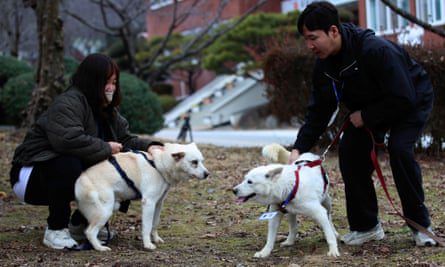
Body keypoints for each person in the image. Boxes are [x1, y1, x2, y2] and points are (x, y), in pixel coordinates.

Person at [290, 1, 436, 246]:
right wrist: (298, 148)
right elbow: (319, 111)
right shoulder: (324, 65)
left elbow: (403, 96)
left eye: (313, 37)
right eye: (305, 39)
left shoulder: (375, 50)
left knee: (400, 151)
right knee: (350, 152)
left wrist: (367, 116)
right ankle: (366, 226)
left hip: (410, 99)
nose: (309, 46)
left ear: (333, 31)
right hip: (370, 108)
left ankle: (420, 225)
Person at [9, 54, 163, 250]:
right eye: (106, 82)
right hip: (30, 177)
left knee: (124, 169)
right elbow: (67, 141)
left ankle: (82, 225)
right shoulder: (68, 103)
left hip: (62, 174)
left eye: (114, 82)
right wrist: (107, 148)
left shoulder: (107, 110)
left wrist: (150, 146)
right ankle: (56, 229)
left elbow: (125, 140)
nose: (111, 87)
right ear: (92, 81)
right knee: (68, 161)